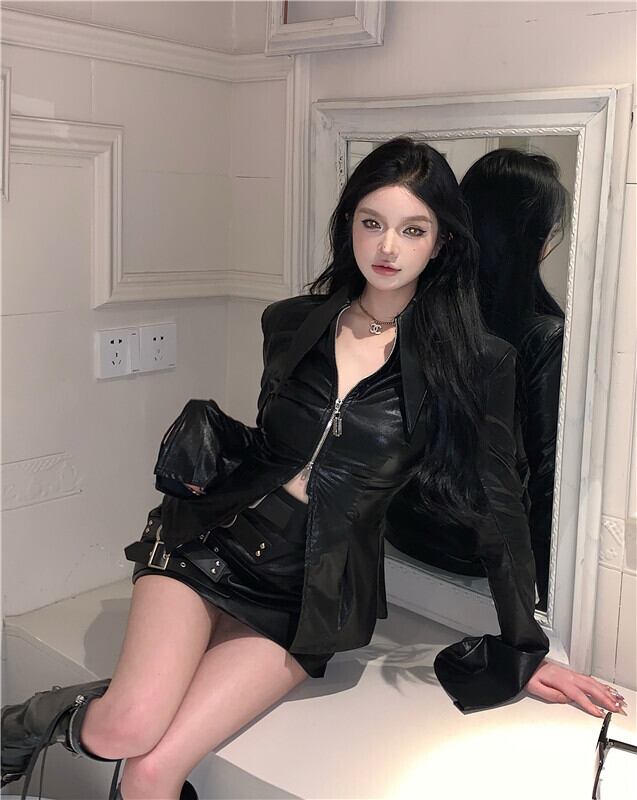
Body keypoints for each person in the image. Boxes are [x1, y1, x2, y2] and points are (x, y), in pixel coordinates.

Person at [2, 137, 626, 800]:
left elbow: (501, 506)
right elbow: (285, 447)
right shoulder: (290, 322)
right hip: (211, 544)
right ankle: (25, 724)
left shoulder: (477, 362)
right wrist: (210, 439)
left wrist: (523, 648)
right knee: (124, 729)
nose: (388, 247)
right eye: (372, 223)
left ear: (441, 241)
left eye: (412, 230)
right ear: (348, 224)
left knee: (152, 771)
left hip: (310, 593)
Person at [386, 147, 568, 611]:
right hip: (477, 554)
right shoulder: (543, 335)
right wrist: (543, 602)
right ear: (533, 238)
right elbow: (548, 476)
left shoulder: (420, 307)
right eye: (551, 228)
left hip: (401, 531)